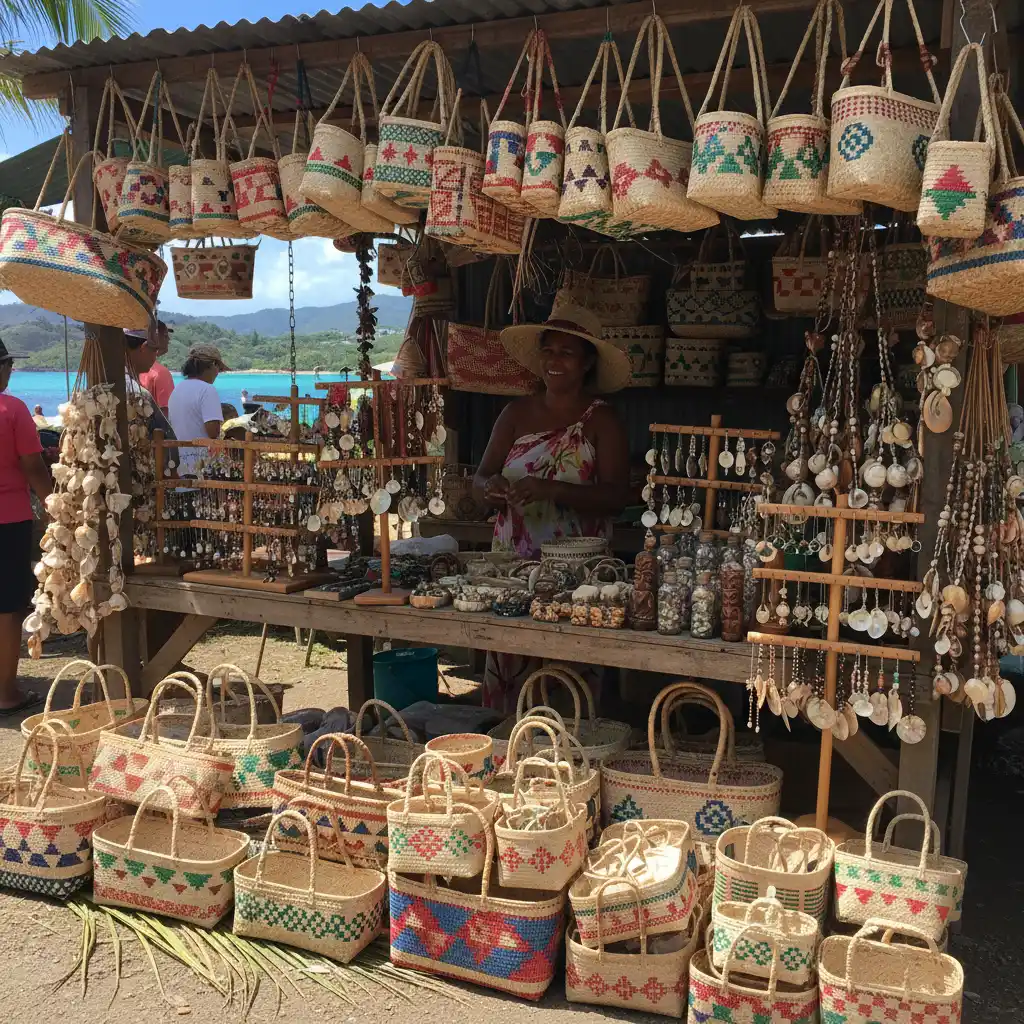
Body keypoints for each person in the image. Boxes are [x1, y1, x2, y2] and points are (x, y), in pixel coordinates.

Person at [472, 303, 632, 712]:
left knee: (568, 682)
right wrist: (489, 489)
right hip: (512, 575)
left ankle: (571, 766)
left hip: (576, 579)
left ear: (586, 364)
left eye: (567, 353)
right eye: (549, 351)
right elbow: (480, 478)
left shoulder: (602, 421)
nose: (554, 361)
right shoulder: (515, 413)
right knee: (512, 676)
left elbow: (617, 498)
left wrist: (551, 490)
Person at [0, 340, 52, 714]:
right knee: (7, 608)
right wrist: (55, 505)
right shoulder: (12, 409)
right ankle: (5, 693)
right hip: (7, 518)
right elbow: (33, 466)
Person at [169, 343, 229, 475]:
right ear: (213, 365)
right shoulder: (207, 390)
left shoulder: (177, 389)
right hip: (200, 466)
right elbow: (212, 431)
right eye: (218, 368)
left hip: (178, 465)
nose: (217, 373)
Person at [137, 320, 175, 415]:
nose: (169, 340)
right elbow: (166, 411)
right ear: (155, 336)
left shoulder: (135, 367)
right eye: (165, 335)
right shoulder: (160, 373)